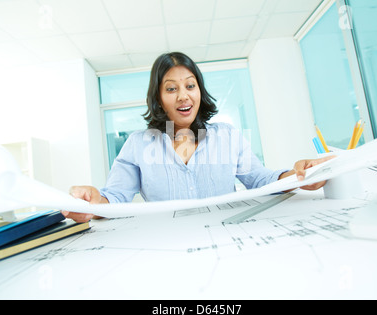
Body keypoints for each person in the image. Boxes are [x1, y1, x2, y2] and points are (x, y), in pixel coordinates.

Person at [63, 52, 333, 223]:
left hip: (229, 238)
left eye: (190, 86)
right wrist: (93, 203)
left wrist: (298, 176)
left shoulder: (227, 136)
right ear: (159, 98)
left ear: (199, 91)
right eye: (171, 89)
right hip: (169, 246)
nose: (183, 95)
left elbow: (260, 179)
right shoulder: (138, 144)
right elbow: (116, 197)